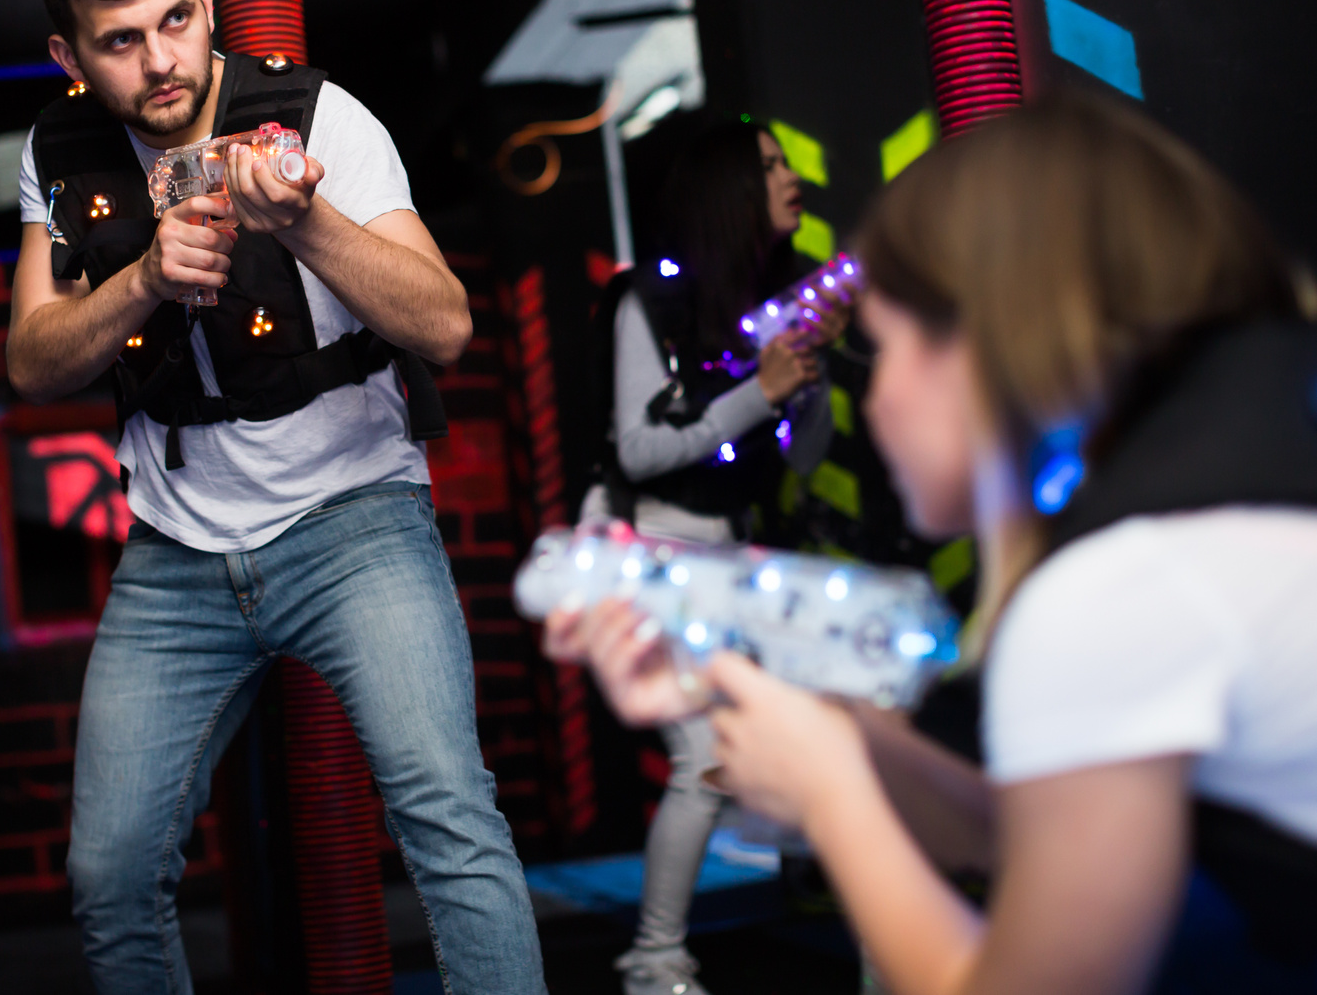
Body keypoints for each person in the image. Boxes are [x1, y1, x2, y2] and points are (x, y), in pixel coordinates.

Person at [552, 91, 1317, 993]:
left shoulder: (1116, 592)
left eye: (887, 348)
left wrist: (832, 790)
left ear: (987, 342)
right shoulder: (1196, 523)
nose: (873, 399)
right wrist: (820, 736)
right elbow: (1022, 821)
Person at [6, 0, 544, 993]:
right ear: (68, 54)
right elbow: (32, 361)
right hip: (176, 552)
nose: (160, 62)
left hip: (353, 517)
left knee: (449, 815)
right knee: (108, 872)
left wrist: (304, 223)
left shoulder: (317, 115)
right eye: (120, 41)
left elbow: (442, 324)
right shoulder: (56, 149)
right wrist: (147, 278)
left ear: (205, 3)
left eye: (173, 21)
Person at [580, 122, 844, 995]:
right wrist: (757, 393)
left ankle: (873, 942)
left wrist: (804, 383)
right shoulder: (646, 301)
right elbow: (643, 451)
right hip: (642, 549)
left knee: (793, 746)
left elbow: (805, 457)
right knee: (702, 760)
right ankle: (655, 961)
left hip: (725, 553)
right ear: (728, 188)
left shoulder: (772, 299)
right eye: (768, 164)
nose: (788, 175)